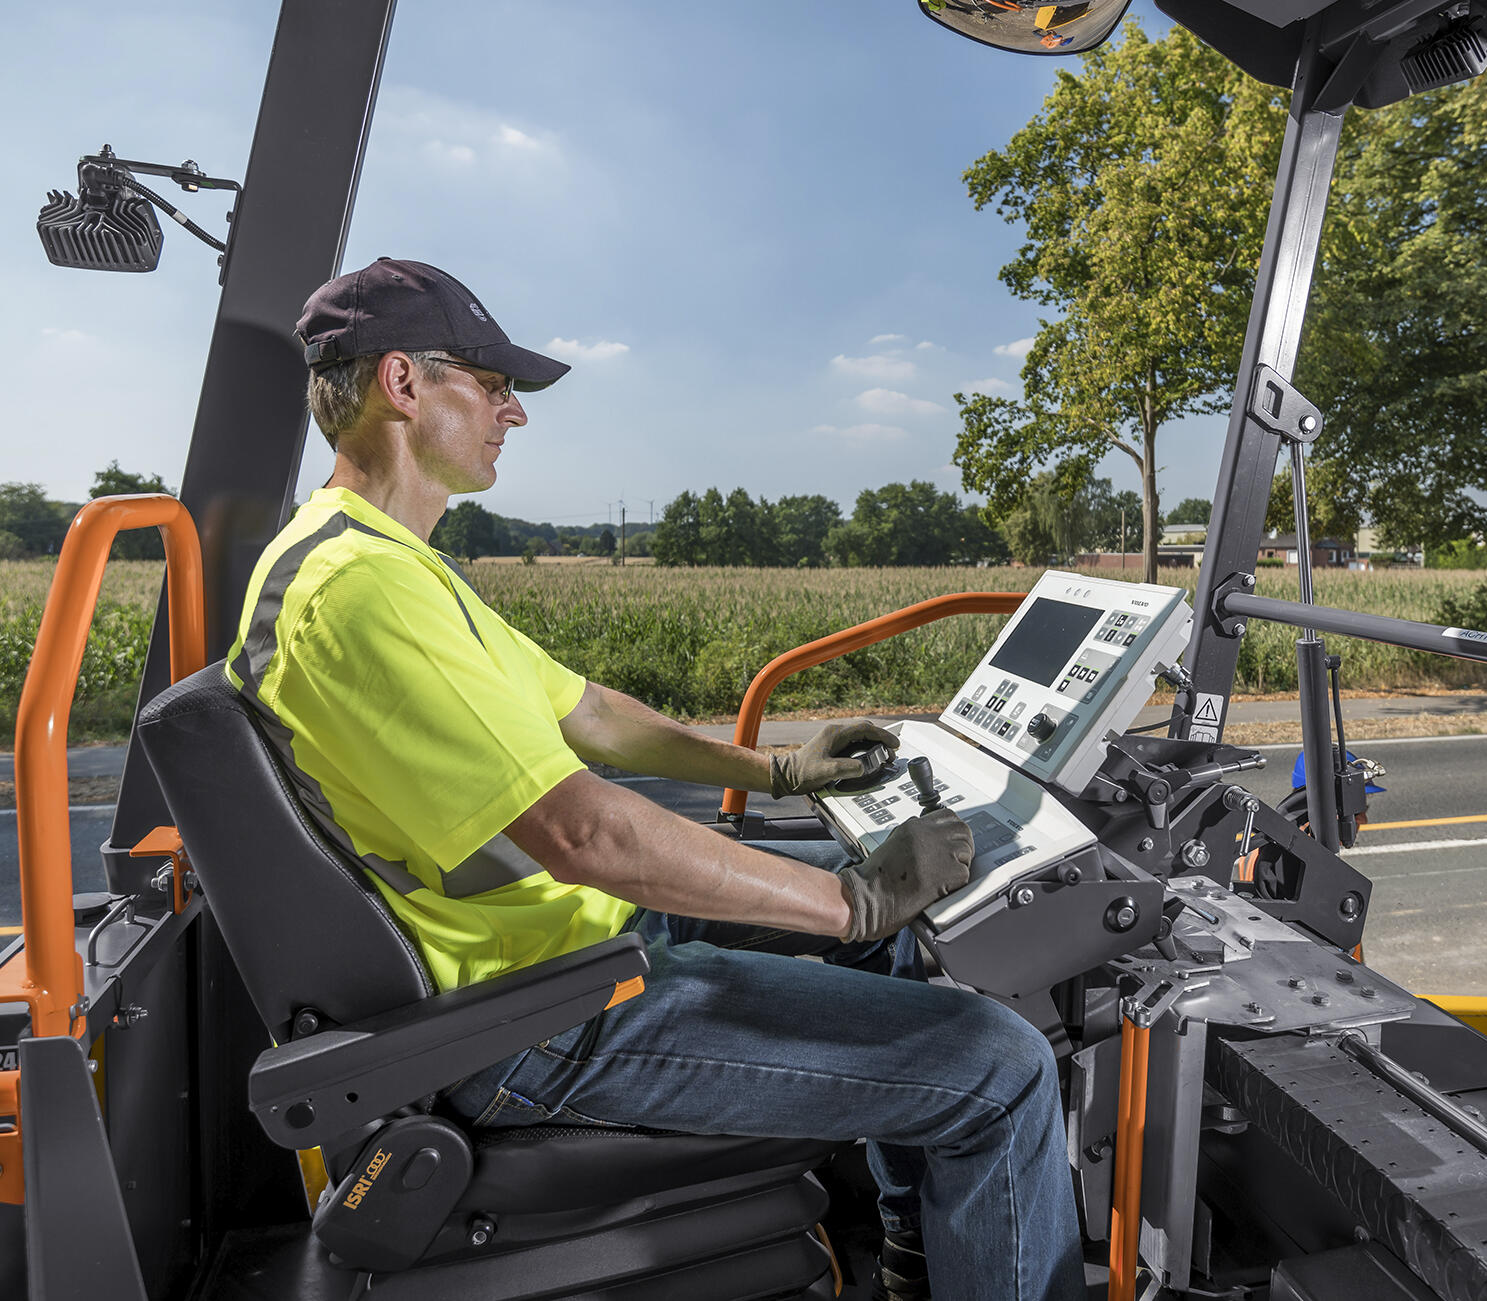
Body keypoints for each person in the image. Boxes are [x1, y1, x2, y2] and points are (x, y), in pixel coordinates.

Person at [222, 257, 1081, 1300]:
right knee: (998, 1066)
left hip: (559, 948)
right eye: (492, 386)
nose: (512, 415)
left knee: (902, 936)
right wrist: (845, 898)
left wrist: (772, 768)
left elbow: (586, 711)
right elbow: (588, 837)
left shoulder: (379, 560)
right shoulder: (360, 589)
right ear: (403, 383)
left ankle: (917, 1251)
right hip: (535, 1017)